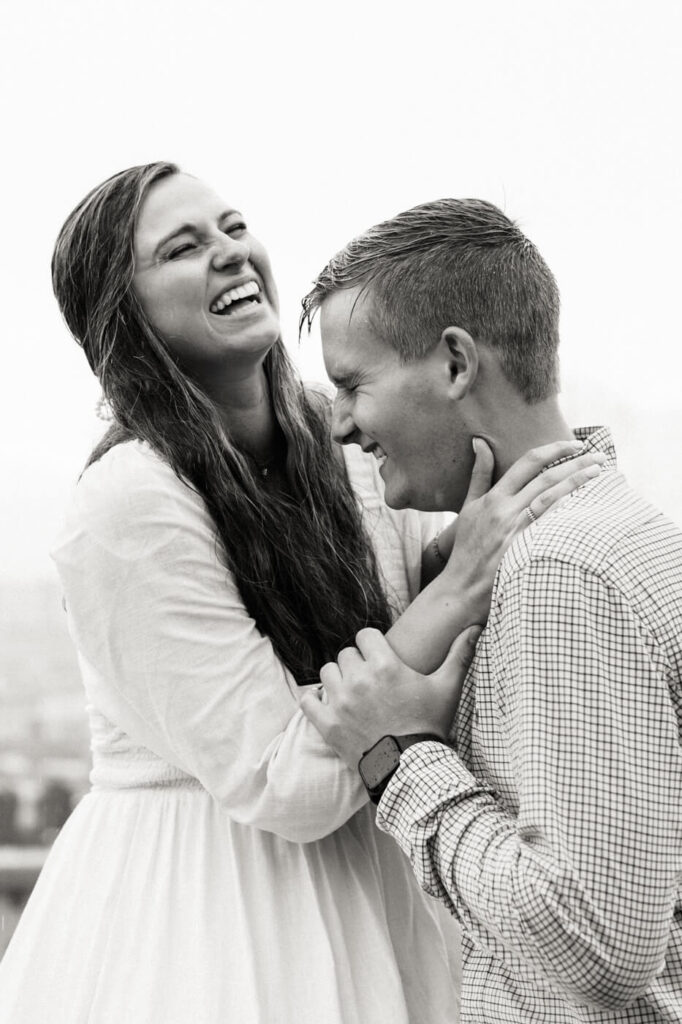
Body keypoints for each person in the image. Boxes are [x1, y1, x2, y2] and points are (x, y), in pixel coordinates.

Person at [0, 166, 601, 1024]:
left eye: (232, 226)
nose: (229, 252)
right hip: (210, 915)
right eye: (183, 247)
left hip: (379, 880)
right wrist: (460, 581)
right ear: (122, 317)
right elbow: (289, 784)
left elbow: (411, 606)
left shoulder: (340, 436)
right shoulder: (126, 505)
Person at [301, 198, 682, 1023]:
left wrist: (399, 757)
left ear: (454, 365)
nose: (336, 425)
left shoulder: (562, 573)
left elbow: (594, 947)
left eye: (351, 384)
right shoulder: (607, 536)